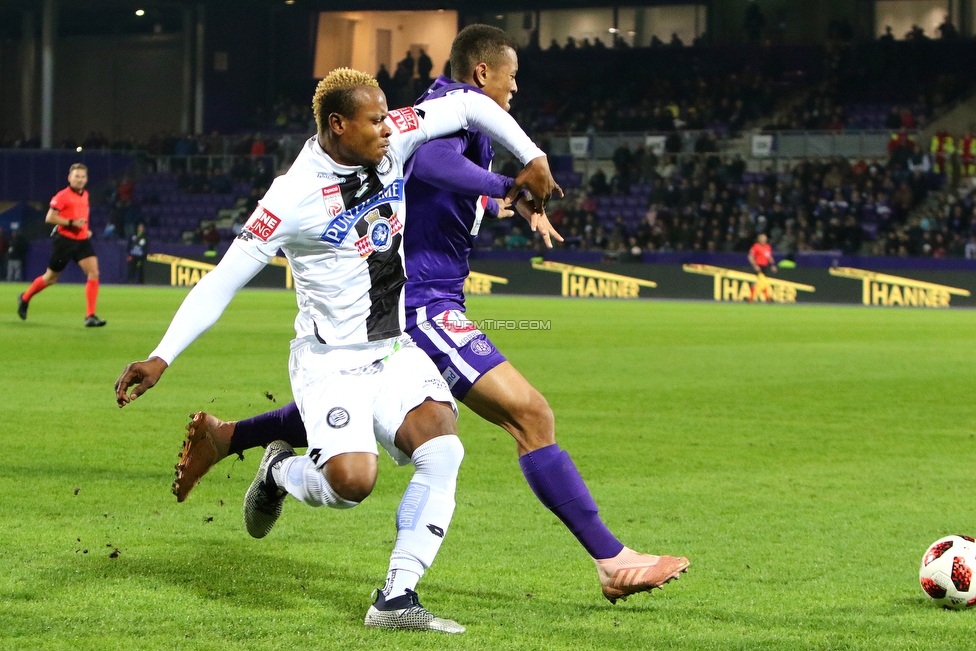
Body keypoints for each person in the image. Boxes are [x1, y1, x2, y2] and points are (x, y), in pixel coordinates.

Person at [172, 24, 688, 606]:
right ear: (483, 73)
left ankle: (236, 439)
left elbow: (439, 189)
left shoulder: (456, 114)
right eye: (512, 79)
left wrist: (500, 201)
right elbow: (437, 164)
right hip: (418, 302)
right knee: (529, 415)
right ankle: (611, 560)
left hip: (431, 298)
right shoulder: (438, 112)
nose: (514, 91)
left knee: (370, 414)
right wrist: (509, 185)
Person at [114, 66, 559, 633]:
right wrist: (162, 355)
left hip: (395, 347)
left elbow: (470, 107)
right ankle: (280, 473)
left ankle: (396, 599)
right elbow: (222, 280)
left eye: (386, 117)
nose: (387, 128)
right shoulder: (291, 197)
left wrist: (532, 155)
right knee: (353, 484)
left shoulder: (393, 133)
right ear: (337, 124)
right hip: (331, 361)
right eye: (374, 121)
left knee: (443, 451)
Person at [17, 163, 106, 326]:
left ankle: (90, 316)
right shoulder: (62, 195)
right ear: (69, 178)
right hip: (64, 242)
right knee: (50, 278)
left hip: (81, 242)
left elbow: (81, 216)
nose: (80, 180)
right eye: (76, 176)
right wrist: (72, 223)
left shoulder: (85, 194)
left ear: (86, 179)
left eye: (82, 177)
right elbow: (50, 217)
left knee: (94, 272)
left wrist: (85, 230)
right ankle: (24, 298)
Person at [748, 233, 777, 301]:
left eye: (764, 238)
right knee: (762, 281)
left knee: (761, 283)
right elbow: (750, 256)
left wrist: (773, 265)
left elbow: (769, 257)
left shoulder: (768, 247)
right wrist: (755, 265)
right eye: (762, 238)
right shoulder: (756, 246)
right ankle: (766, 298)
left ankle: (752, 298)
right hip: (759, 266)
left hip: (765, 267)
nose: (763, 239)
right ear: (759, 239)